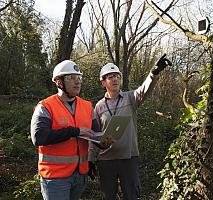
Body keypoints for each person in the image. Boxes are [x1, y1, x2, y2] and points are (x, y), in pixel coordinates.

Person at [90, 54, 172, 200]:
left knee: (131, 195)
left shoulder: (130, 98)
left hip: (128, 158)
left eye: (117, 76)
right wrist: (90, 159)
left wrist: (154, 73)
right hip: (106, 160)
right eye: (110, 77)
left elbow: (144, 90)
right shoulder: (99, 106)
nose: (115, 79)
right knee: (108, 196)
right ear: (103, 82)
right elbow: (95, 135)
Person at [30, 60, 100, 200]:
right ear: (59, 82)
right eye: (71, 78)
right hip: (55, 178)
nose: (77, 82)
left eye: (79, 78)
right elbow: (38, 137)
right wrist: (75, 131)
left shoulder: (87, 106)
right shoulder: (45, 106)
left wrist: (103, 142)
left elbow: (96, 134)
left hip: (80, 175)